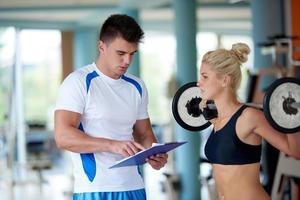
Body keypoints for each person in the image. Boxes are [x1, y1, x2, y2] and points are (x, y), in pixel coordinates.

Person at [54, 14, 168, 200]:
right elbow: (63, 137)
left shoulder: (137, 86)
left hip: (134, 187)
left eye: (132, 54)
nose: (127, 62)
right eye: (121, 53)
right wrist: (112, 145)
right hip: (95, 189)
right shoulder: (78, 82)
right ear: (102, 46)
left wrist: (154, 154)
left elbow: (145, 134)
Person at [198, 42, 300, 200]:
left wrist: (292, 118)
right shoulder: (216, 120)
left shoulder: (249, 117)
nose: (199, 83)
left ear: (225, 80)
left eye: (205, 77)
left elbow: (294, 151)